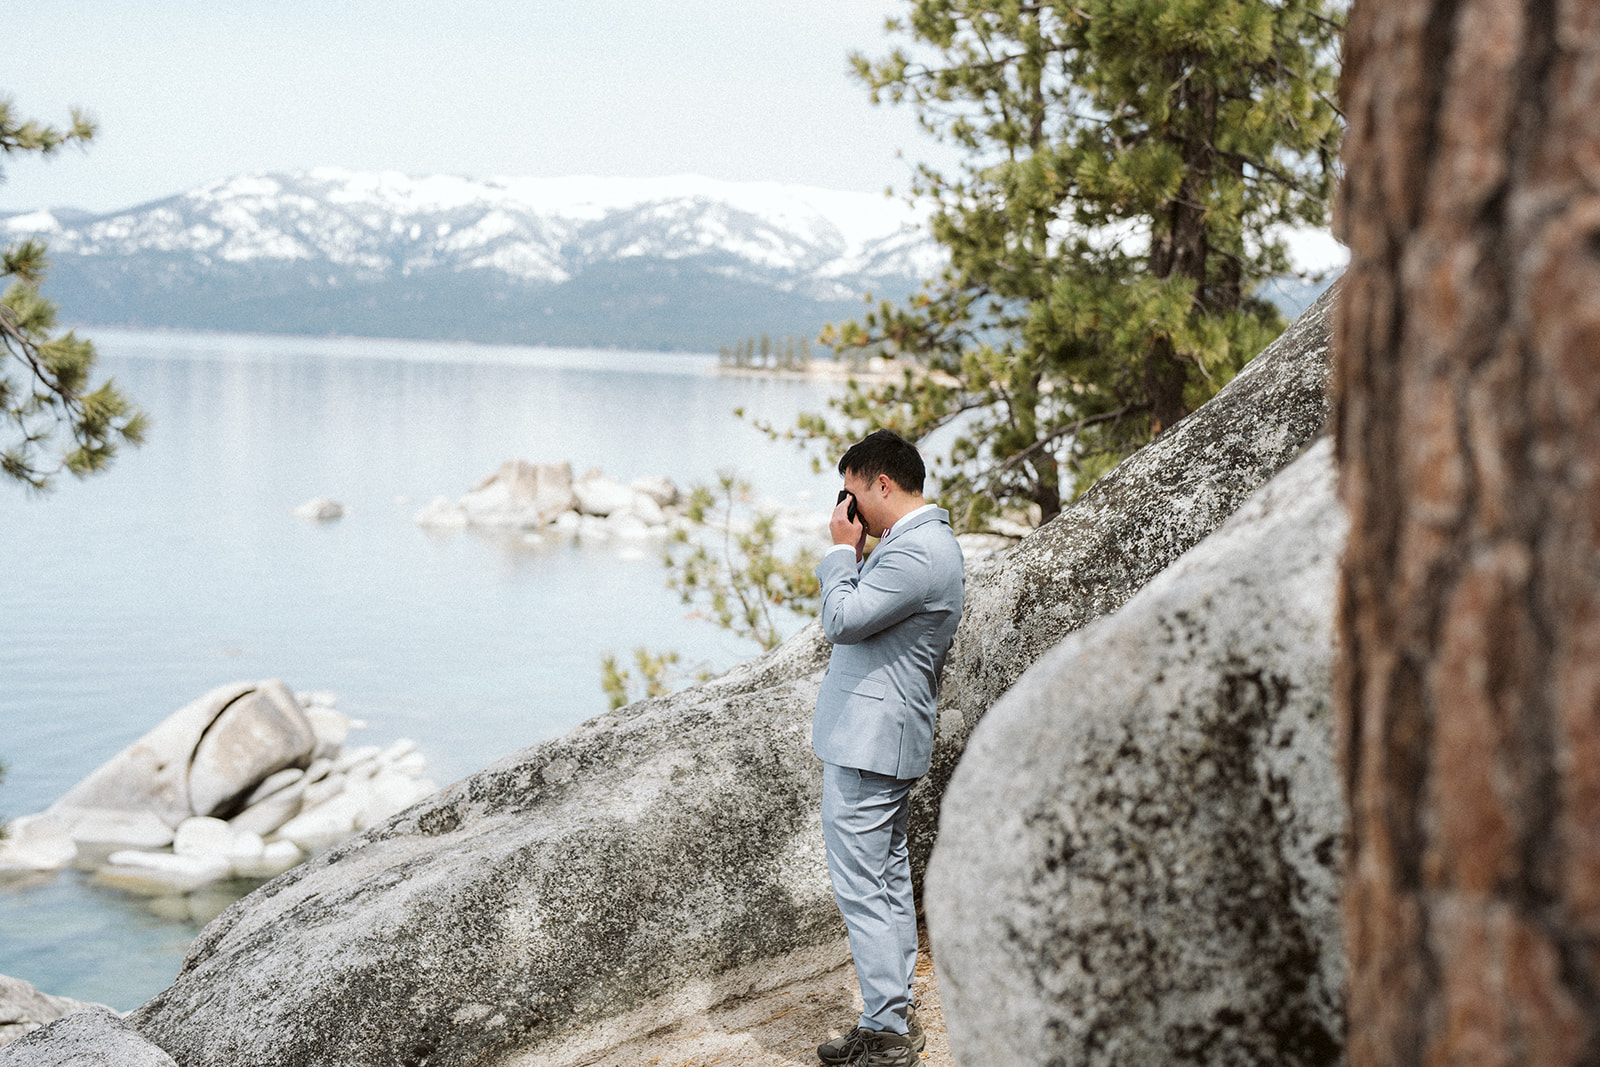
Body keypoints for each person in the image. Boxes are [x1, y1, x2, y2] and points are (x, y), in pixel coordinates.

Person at [811, 429, 965, 1067]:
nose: (847, 510)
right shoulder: (918, 545)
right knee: (886, 880)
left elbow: (842, 621)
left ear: (880, 483)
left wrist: (842, 553)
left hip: (870, 745)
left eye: (850, 494)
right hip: (880, 741)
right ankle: (890, 1018)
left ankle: (886, 1032)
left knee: (863, 886)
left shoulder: (918, 551)